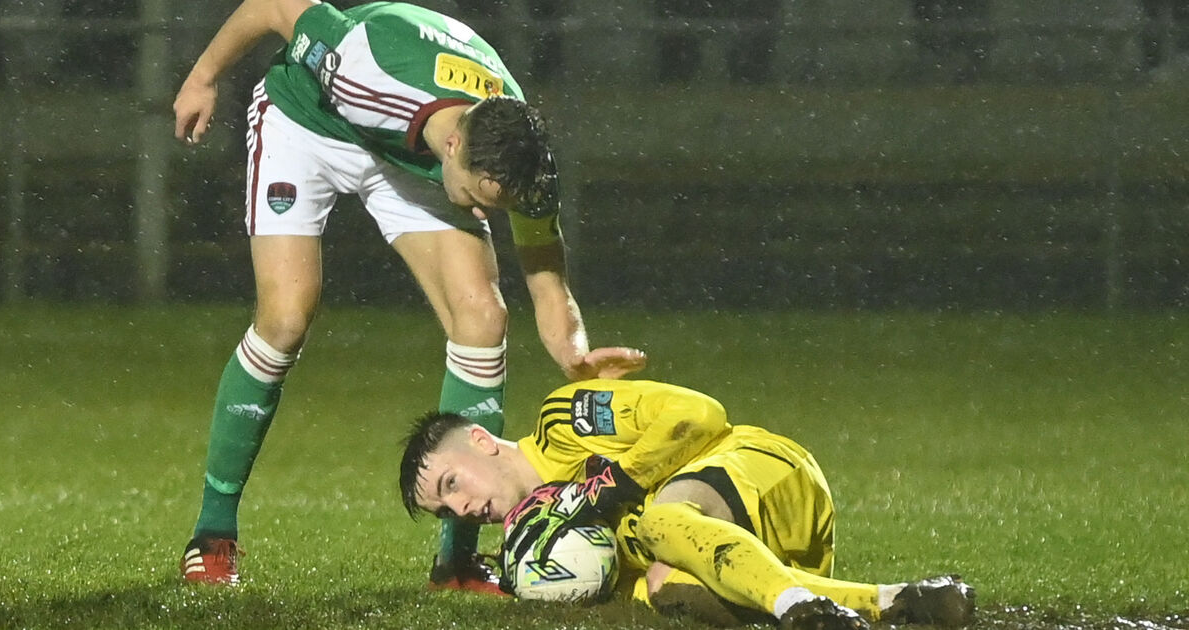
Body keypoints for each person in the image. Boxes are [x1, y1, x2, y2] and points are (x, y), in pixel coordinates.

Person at [172, 0, 646, 591]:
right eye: (479, 199)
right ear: (454, 146)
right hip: (307, 123)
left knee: (482, 318)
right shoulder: (365, 67)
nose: (483, 214)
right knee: (286, 316)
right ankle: (212, 533)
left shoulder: (520, 160)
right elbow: (275, 5)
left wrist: (575, 355)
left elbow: (547, 279)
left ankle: (457, 562)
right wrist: (202, 78)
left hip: (408, 156)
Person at [399, 379, 976, 629]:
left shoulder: (563, 420)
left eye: (451, 484)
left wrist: (616, 480)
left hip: (764, 469)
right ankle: (899, 601)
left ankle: (797, 604)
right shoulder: (542, 537)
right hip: (760, 556)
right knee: (663, 591)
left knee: (660, 521)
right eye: (446, 512)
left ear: (481, 440)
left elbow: (700, 415)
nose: (462, 509)